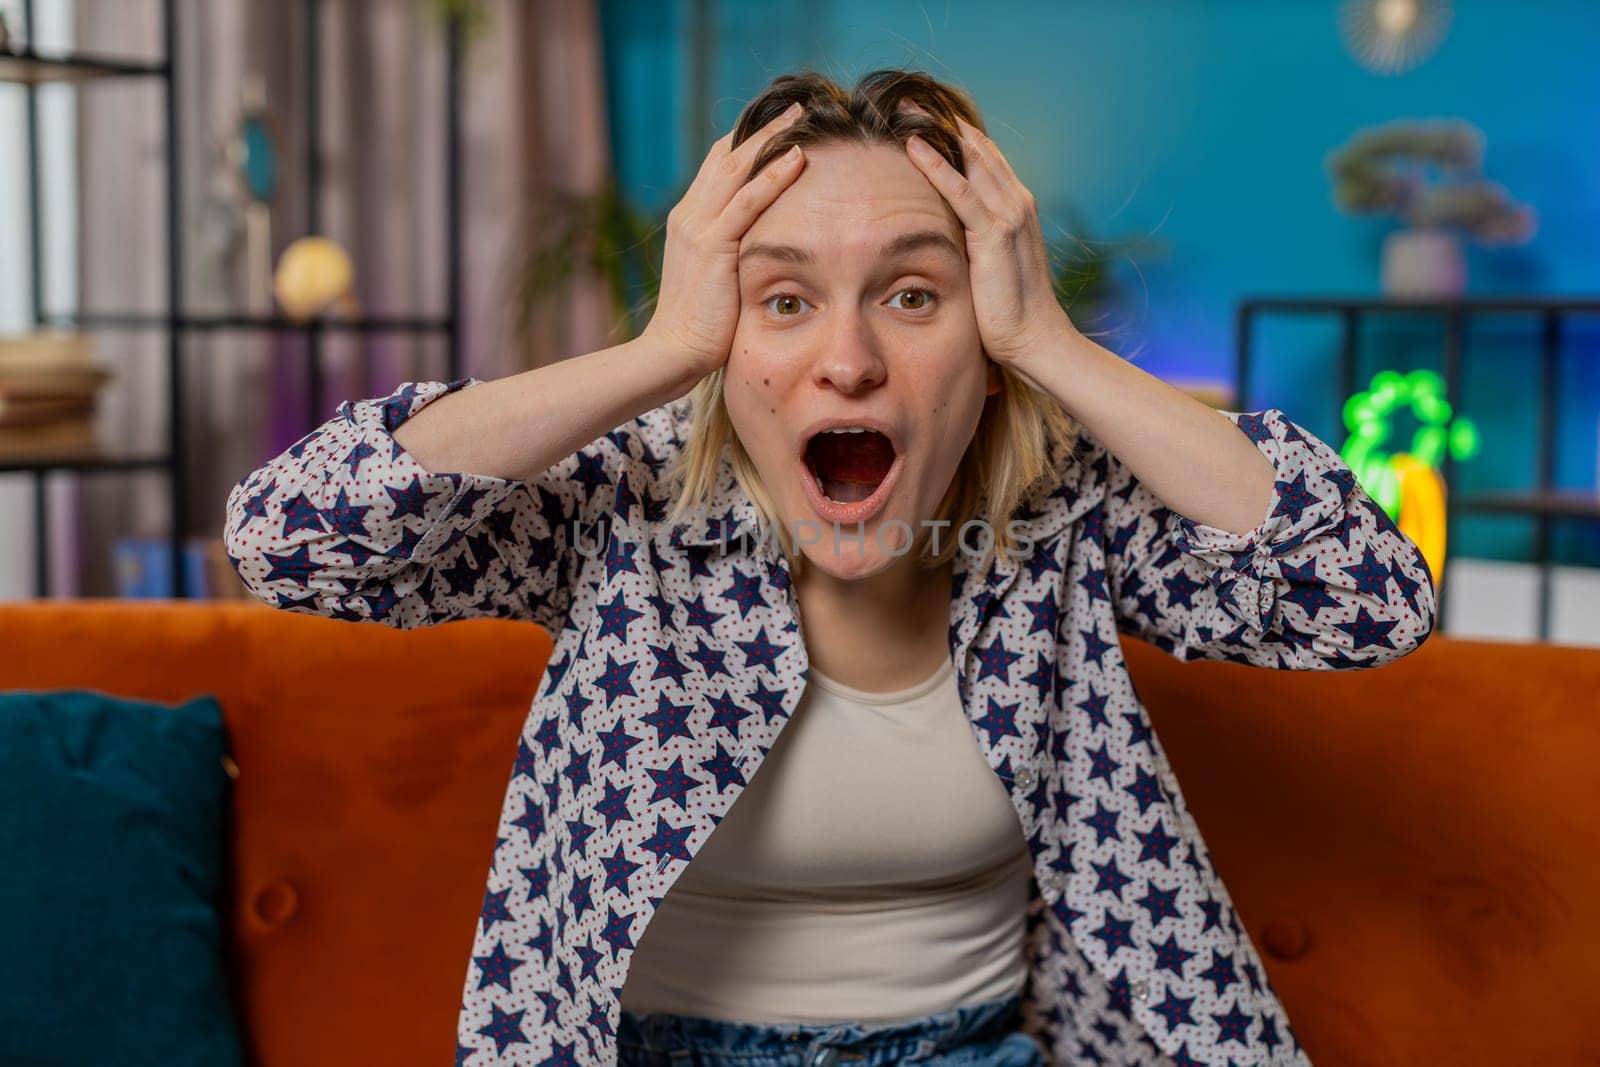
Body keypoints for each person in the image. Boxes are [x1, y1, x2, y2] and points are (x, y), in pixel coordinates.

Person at [223, 68, 1436, 1067]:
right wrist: (664, 347)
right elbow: (288, 542)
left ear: (987, 335)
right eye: (783, 300)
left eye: (915, 293)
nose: (846, 360)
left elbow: (1368, 601)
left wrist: (1048, 339)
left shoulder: (1066, 519)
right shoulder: (627, 497)